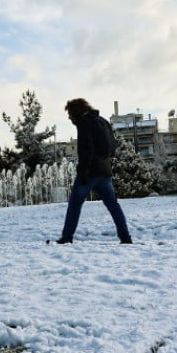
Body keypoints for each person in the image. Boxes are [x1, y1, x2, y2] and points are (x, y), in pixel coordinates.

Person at [55, 98, 132, 244]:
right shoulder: (102, 121)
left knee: (74, 205)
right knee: (113, 206)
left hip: (90, 173)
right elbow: (113, 147)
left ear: (75, 111)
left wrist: (83, 171)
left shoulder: (84, 123)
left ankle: (66, 238)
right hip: (105, 172)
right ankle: (126, 237)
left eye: (70, 113)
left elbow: (86, 149)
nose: (69, 117)